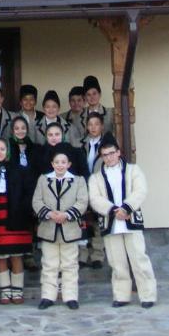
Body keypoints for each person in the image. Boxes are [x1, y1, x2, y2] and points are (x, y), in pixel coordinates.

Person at [88, 133, 157, 309]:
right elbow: (95, 199)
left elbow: (140, 191)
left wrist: (126, 208)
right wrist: (113, 210)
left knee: (139, 259)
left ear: (118, 152)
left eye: (111, 153)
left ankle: (148, 295)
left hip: (130, 219)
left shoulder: (133, 170)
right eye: (105, 155)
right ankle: (121, 295)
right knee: (116, 262)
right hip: (111, 222)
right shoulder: (96, 177)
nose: (109, 157)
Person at [32, 145, 88, 310]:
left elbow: (82, 201)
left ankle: (70, 296)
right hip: (49, 228)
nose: (60, 165)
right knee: (49, 264)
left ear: (69, 164)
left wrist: (67, 214)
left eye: (63, 162)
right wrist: (49, 214)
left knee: (70, 264)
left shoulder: (78, 180)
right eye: (57, 162)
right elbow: (37, 200)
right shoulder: (43, 180)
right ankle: (48, 296)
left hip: (69, 228)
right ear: (52, 164)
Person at [0, 138, 33, 305]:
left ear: (8, 151)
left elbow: (27, 193)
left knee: (16, 254)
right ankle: (5, 290)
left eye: (2, 149)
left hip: (15, 215)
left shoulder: (20, 170)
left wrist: (22, 210)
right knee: (0, 255)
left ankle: (17, 290)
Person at [76, 111, 110, 269]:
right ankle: (82, 255)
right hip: (83, 185)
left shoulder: (107, 145)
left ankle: (97, 255)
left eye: (96, 124)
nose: (93, 127)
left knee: (98, 221)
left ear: (102, 126)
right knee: (82, 221)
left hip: (100, 186)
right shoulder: (81, 143)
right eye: (90, 124)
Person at [69, 75, 114, 144]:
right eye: (88, 94)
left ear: (100, 94)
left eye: (94, 93)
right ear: (85, 97)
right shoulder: (78, 117)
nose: (92, 97)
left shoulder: (110, 113)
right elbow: (76, 141)